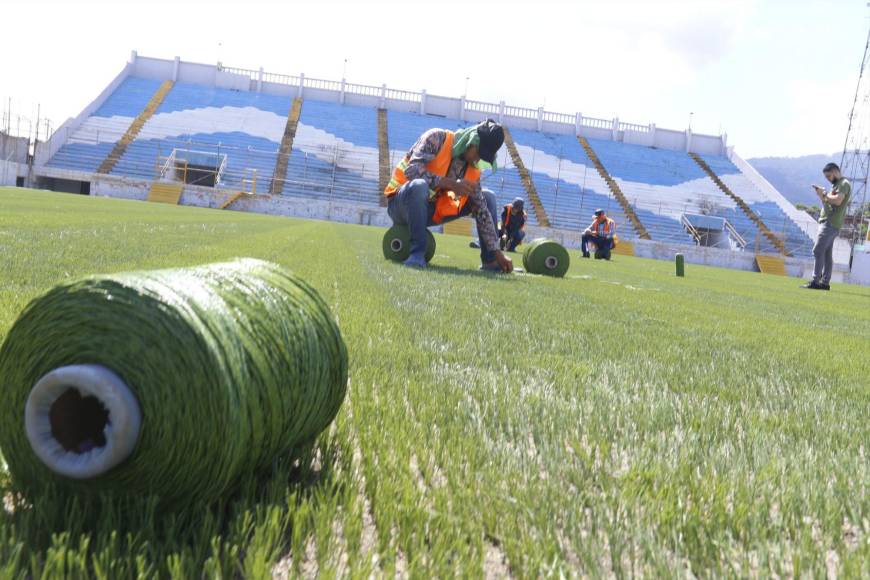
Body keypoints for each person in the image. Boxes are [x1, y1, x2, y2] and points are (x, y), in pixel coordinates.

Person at [384, 119, 513, 272]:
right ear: (471, 141)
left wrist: (498, 252)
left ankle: (490, 261)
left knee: (487, 197)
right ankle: (417, 254)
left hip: (430, 211)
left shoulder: (472, 168)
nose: (478, 159)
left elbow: (482, 211)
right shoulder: (436, 138)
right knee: (419, 185)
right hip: (401, 205)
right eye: (479, 153)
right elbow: (412, 171)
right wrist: (452, 184)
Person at [803, 162, 851, 290]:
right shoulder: (836, 185)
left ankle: (815, 281)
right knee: (826, 254)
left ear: (835, 172)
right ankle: (824, 283)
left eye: (829, 176)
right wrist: (822, 195)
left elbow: (838, 200)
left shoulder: (843, 184)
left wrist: (824, 194)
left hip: (830, 223)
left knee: (818, 250)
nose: (828, 179)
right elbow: (828, 203)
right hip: (828, 221)